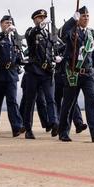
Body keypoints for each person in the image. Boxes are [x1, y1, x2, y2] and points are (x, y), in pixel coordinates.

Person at [58, 6, 94, 142]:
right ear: (78, 18)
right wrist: (72, 20)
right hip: (73, 73)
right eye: (83, 16)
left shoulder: (91, 33)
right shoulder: (71, 30)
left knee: (92, 101)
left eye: (87, 16)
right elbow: (61, 33)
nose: (86, 18)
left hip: (88, 73)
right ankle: (63, 132)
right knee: (69, 103)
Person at [22, 9, 60, 138]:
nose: (42, 19)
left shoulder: (49, 35)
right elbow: (30, 35)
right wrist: (39, 27)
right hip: (33, 71)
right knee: (30, 101)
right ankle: (28, 128)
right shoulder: (31, 31)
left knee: (50, 99)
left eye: (44, 17)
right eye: (39, 18)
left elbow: (51, 51)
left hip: (47, 72)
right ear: (34, 20)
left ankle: (54, 123)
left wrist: (55, 59)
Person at [0, 15, 25, 137]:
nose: (9, 24)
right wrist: (4, 33)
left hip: (11, 74)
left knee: (12, 101)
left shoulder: (14, 40)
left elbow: (17, 56)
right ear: (1, 24)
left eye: (10, 23)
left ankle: (17, 127)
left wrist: (22, 62)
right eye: (6, 22)